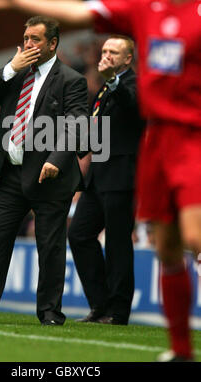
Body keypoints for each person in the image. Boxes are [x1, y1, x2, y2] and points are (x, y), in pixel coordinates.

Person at [0, 0, 201, 361]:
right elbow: (80, 9)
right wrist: (17, 0)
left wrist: (60, 156)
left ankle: (65, 310)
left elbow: (76, 120)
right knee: (167, 244)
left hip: (183, 141)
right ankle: (181, 350)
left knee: (191, 236)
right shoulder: (144, 5)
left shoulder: (195, 12)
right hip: (149, 149)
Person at [0, 16, 88, 325]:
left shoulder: (71, 80)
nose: (28, 43)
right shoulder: (15, 72)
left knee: (50, 247)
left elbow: (77, 125)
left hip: (49, 175)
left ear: (52, 43)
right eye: (26, 37)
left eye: (36, 39)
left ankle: (50, 313)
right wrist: (11, 67)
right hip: (11, 174)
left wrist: (56, 159)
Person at [68, 35, 144, 326]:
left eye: (114, 52)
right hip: (98, 176)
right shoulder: (104, 88)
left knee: (117, 242)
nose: (107, 55)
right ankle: (100, 305)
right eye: (104, 51)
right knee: (79, 234)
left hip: (123, 175)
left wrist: (113, 81)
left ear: (128, 58)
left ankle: (118, 311)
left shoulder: (134, 85)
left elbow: (133, 108)